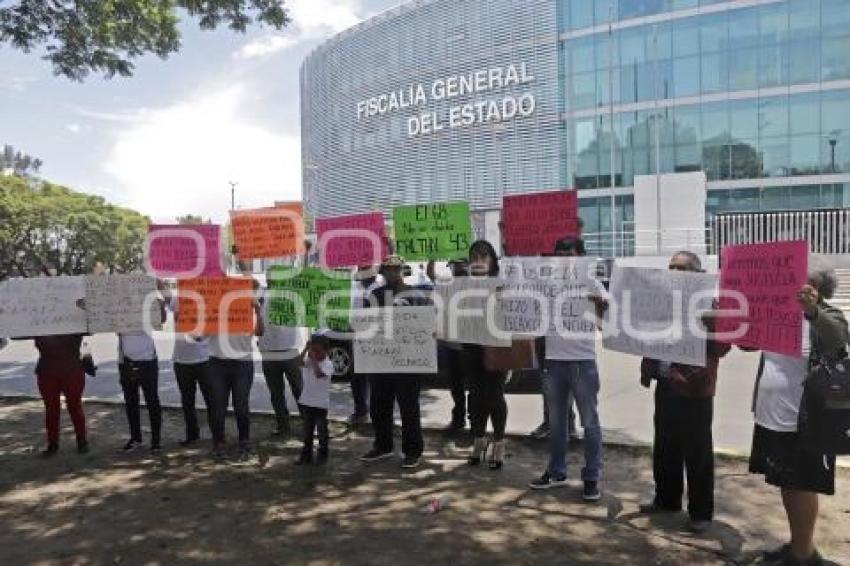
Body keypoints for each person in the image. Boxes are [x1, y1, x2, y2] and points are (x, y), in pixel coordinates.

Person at [748, 259, 848, 565]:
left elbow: (839, 338)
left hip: (805, 418)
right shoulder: (777, 311)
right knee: (786, 481)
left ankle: (804, 555)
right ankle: (797, 544)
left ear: (814, 287)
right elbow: (751, 346)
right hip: (773, 413)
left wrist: (813, 311)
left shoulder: (825, 314)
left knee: (801, 483)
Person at [637, 251, 730, 533]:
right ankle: (667, 499)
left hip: (695, 391)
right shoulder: (661, 302)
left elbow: (723, 347)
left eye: (680, 268)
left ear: (696, 274)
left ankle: (701, 512)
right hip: (665, 385)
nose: (674, 272)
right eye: (671, 268)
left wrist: (710, 322)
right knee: (665, 447)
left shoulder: (710, 305)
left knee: (697, 453)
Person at [529, 237, 606, 501]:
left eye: (569, 253)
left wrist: (600, 305)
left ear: (581, 257)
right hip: (553, 362)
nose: (563, 258)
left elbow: (604, 326)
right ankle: (556, 471)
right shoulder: (547, 284)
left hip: (582, 364)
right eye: (559, 253)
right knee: (557, 423)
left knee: (590, 423)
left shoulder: (592, 284)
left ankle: (592, 476)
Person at [359, 255, 430, 469]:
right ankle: (383, 446)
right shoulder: (374, 295)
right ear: (382, 272)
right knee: (379, 406)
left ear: (403, 270)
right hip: (380, 361)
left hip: (407, 364)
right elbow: (365, 325)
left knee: (409, 408)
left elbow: (426, 326)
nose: (392, 273)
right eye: (388, 270)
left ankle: (412, 451)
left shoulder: (417, 295)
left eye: (395, 269)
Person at [207, 266, 264, 458]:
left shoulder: (248, 305)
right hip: (217, 364)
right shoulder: (214, 307)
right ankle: (219, 443)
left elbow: (260, 332)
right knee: (218, 406)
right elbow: (199, 336)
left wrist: (258, 311)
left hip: (242, 364)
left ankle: (244, 441)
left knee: (241, 405)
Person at [464, 241, 509, 469]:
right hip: (471, 347)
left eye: (483, 256)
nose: (478, 261)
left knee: (495, 396)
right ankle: (479, 441)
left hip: (496, 347)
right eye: (474, 257)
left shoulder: (502, 283)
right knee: (476, 397)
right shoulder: (462, 285)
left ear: (492, 260)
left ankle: (499, 444)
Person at [118, 295, 167, 452]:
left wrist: (161, 306)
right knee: (131, 403)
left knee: (152, 402)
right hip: (126, 362)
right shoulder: (118, 311)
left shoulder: (147, 308)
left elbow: (162, 320)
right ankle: (136, 438)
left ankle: (156, 441)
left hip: (147, 361)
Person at [258, 289, 307, 437]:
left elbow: (308, 314)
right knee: (277, 393)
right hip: (270, 353)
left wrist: (306, 347)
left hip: (290, 352)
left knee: (299, 391)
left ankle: (308, 424)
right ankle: (283, 425)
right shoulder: (261, 296)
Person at [167, 294, 212, 446]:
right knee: (187, 401)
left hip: (203, 359)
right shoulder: (177, 298)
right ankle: (192, 434)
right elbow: (172, 314)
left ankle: (217, 434)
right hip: (181, 360)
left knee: (211, 400)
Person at [348, 265, 384, 424]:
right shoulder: (354, 287)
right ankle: (360, 410)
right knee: (356, 377)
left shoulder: (382, 286)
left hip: (377, 339)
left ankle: (379, 413)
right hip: (357, 337)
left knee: (377, 378)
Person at [296, 333, 335, 466]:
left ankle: (322, 453)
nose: (315, 354)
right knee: (307, 430)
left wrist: (312, 359)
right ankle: (306, 454)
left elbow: (319, 374)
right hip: (307, 402)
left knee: (322, 430)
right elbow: (298, 362)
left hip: (320, 404)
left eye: (318, 351)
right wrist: (305, 349)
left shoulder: (328, 364)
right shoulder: (310, 360)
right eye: (313, 350)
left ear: (326, 351)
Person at [442, 259, 469, 434]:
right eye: (454, 265)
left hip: (471, 347)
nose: (457, 268)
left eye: (460, 264)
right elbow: (430, 275)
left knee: (475, 387)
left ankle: (476, 421)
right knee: (456, 387)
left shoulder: (476, 284)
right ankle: (458, 419)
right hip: (452, 346)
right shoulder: (446, 286)